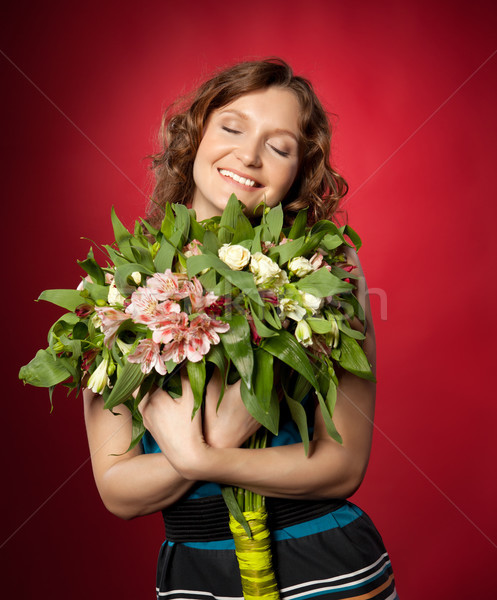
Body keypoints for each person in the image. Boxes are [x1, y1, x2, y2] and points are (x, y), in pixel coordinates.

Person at [84, 58, 398, 599]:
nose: (249, 156)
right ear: (195, 135)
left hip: (325, 569)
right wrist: (208, 448)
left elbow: (342, 466)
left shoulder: (325, 269)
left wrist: (205, 457)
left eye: (280, 148)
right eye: (232, 127)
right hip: (195, 580)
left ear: (299, 172)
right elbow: (118, 489)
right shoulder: (120, 289)